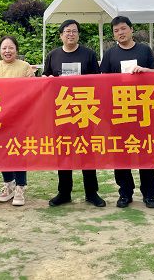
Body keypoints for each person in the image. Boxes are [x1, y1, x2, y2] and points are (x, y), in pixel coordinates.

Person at [44, 19, 106, 208]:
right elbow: (46, 79)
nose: (71, 34)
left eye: (74, 31)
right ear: (61, 35)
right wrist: (47, 79)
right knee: (64, 151)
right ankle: (64, 192)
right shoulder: (53, 55)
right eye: (67, 31)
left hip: (85, 110)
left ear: (78, 34)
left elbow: (98, 81)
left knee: (87, 151)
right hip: (62, 111)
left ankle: (91, 192)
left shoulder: (88, 54)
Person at [100, 16, 154, 209]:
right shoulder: (110, 54)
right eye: (116, 31)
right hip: (119, 112)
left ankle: (149, 194)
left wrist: (146, 71)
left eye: (123, 28)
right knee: (121, 154)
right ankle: (125, 193)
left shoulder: (144, 50)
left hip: (143, 110)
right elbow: (102, 82)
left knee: (146, 153)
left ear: (131, 29)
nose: (121, 33)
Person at [0, 35, 35, 206]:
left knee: (18, 149)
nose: (7, 51)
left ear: (16, 50)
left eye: (11, 48)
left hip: (20, 117)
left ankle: (20, 186)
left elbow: (33, 91)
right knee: (2, 151)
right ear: (0, 50)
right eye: (4, 48)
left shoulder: (25, 67)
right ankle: (8, 184)